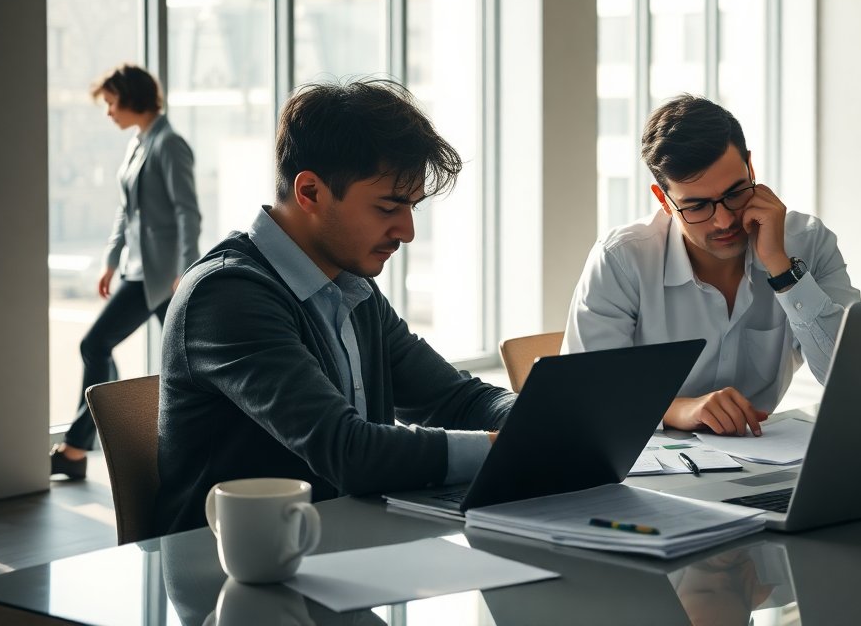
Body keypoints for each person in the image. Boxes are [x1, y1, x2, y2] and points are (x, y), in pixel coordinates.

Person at [154, 79, 514, 534]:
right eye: (388, 208)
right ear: (310, 192)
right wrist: (509, 447)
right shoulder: (226, 294)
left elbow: (455, 399)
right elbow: (348, 452)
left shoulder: (351, 289)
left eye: (412, 208)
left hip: (342, 546)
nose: (407, 232)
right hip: (231, 562)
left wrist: (535, 420)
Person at [563, 95, 860, 438]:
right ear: (664, 200)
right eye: (697, 206)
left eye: (735, 193)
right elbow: (587, 396)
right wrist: (677, 409)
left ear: (750, 169)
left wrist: (783, 271)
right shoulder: (621, 260)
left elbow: (852, 378)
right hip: (647, 455)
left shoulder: (808, 243)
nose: (724, 221)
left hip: (761, 455)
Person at [51, 65, 201, 481]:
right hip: (139, 272)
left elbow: (187, 213)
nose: (108, 112)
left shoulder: (169, 144)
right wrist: (111, 259)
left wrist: (186, 269)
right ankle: (88, 443)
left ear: (132, 98)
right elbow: (126, 210)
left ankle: (78, 447)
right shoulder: (139, 142)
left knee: (97, 344)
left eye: (111, 102)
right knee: (184, 360)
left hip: (162, 277)